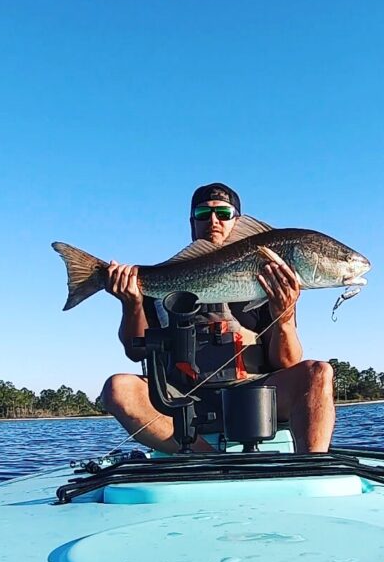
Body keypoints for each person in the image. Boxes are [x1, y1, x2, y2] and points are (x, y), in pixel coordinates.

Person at [100, 183, 335, 453]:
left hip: (255, 395)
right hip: (179, 398)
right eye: (203, 214)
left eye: (223, 213)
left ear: (238, 221)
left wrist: (284, 314)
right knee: (118, 388)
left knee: (319, 372)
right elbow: (134, 350)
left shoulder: (268, 279)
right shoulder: (166, 279)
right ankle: (206, 458)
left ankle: (312, 466)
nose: (213, 220)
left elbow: (286, 362)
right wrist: (131, 304)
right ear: (192, 224)